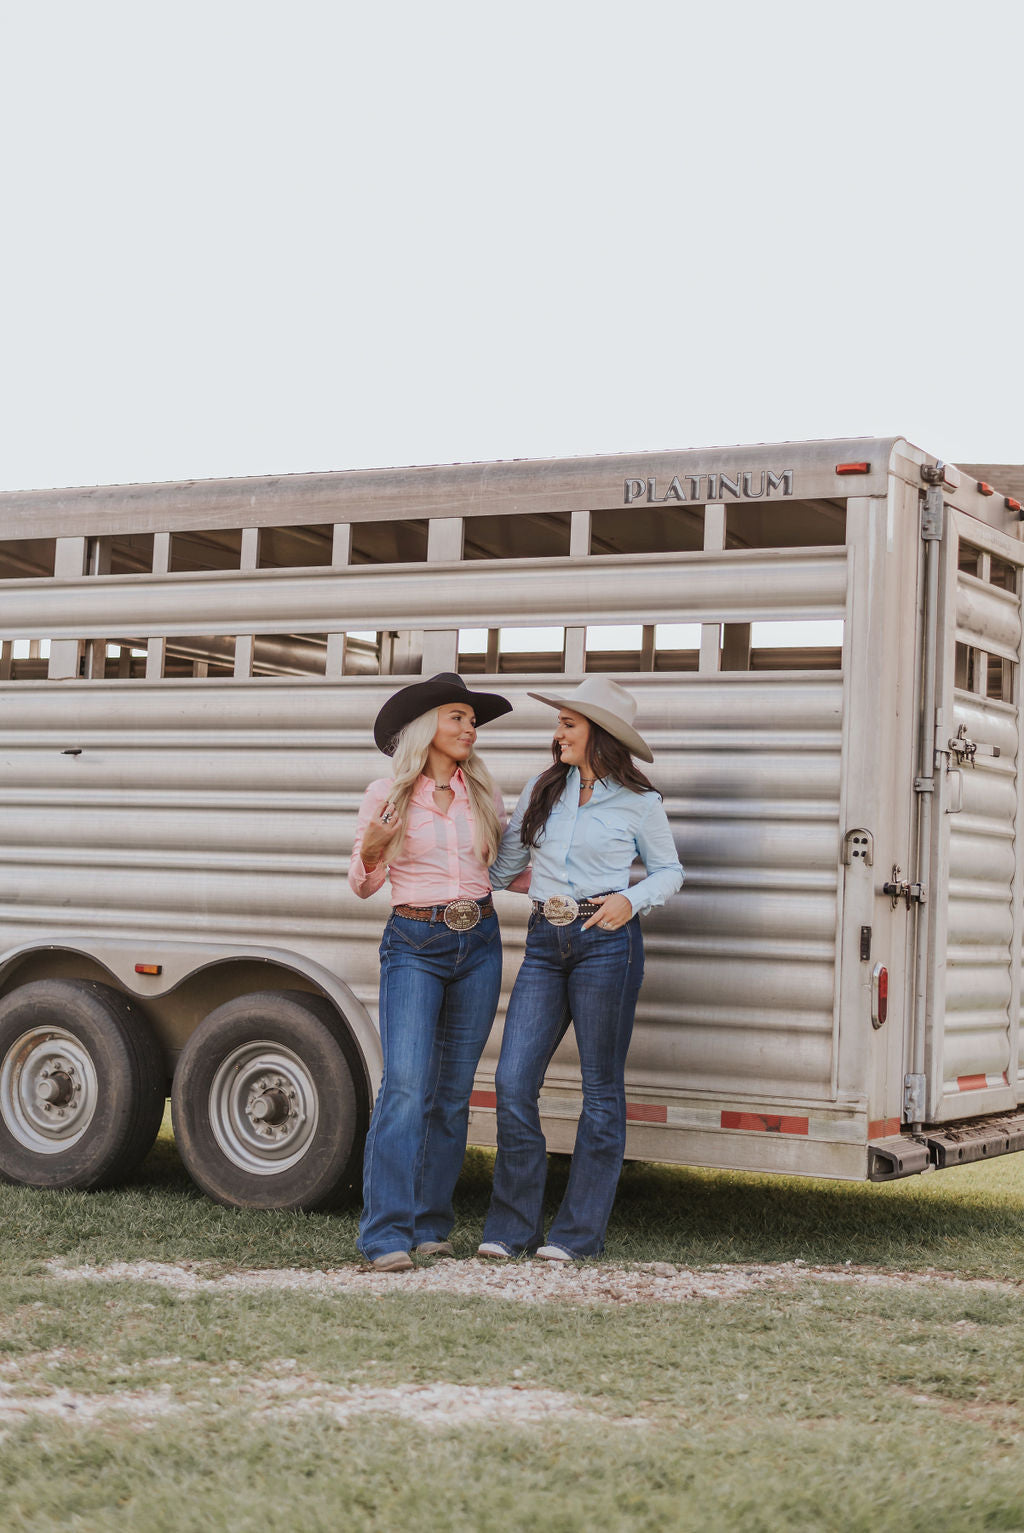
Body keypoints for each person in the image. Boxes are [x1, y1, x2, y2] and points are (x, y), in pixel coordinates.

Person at [477, 676, 683, 1263]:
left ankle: (576, 1235)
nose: (558, 733)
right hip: (544, 940)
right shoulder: (543, 789)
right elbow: (502, 870)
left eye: (568, 724)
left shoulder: (640, 802)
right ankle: (512, 1229)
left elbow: (670, 871)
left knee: (600, 1089)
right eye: (560, 722)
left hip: (607, 943)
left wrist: (631, 900)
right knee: (513, 1081)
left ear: (600, 733)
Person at [349, 672, 513, 1272]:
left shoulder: (483, 794)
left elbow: (506, 871)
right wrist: (372, 847)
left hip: (481, 941)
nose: (470, 728)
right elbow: (362, 883)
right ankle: (385, 1233)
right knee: (407, 1087)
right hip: (414, 943)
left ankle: (429, 1225)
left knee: (451, 1095)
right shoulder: (386, 794)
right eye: (457, 717)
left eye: (472, 720)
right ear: (427, 727)